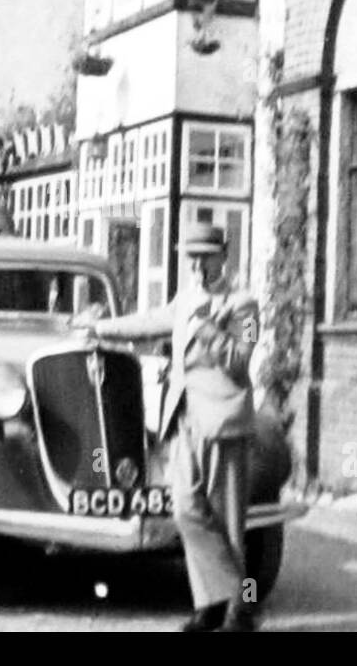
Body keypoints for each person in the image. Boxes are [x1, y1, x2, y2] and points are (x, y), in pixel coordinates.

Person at [93, 222, 261, 632]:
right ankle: (224, 595)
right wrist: (99, 328)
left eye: (206, 257)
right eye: (192, 258)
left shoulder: (244, 305)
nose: (199, 266)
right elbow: (152, 321)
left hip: (223, 420)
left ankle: (231, 612)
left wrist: (206, 329)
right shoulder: (185, 299)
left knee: (228, 521)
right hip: (182, 418)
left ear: (225, 256)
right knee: (186, 507)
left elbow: (240, 360)